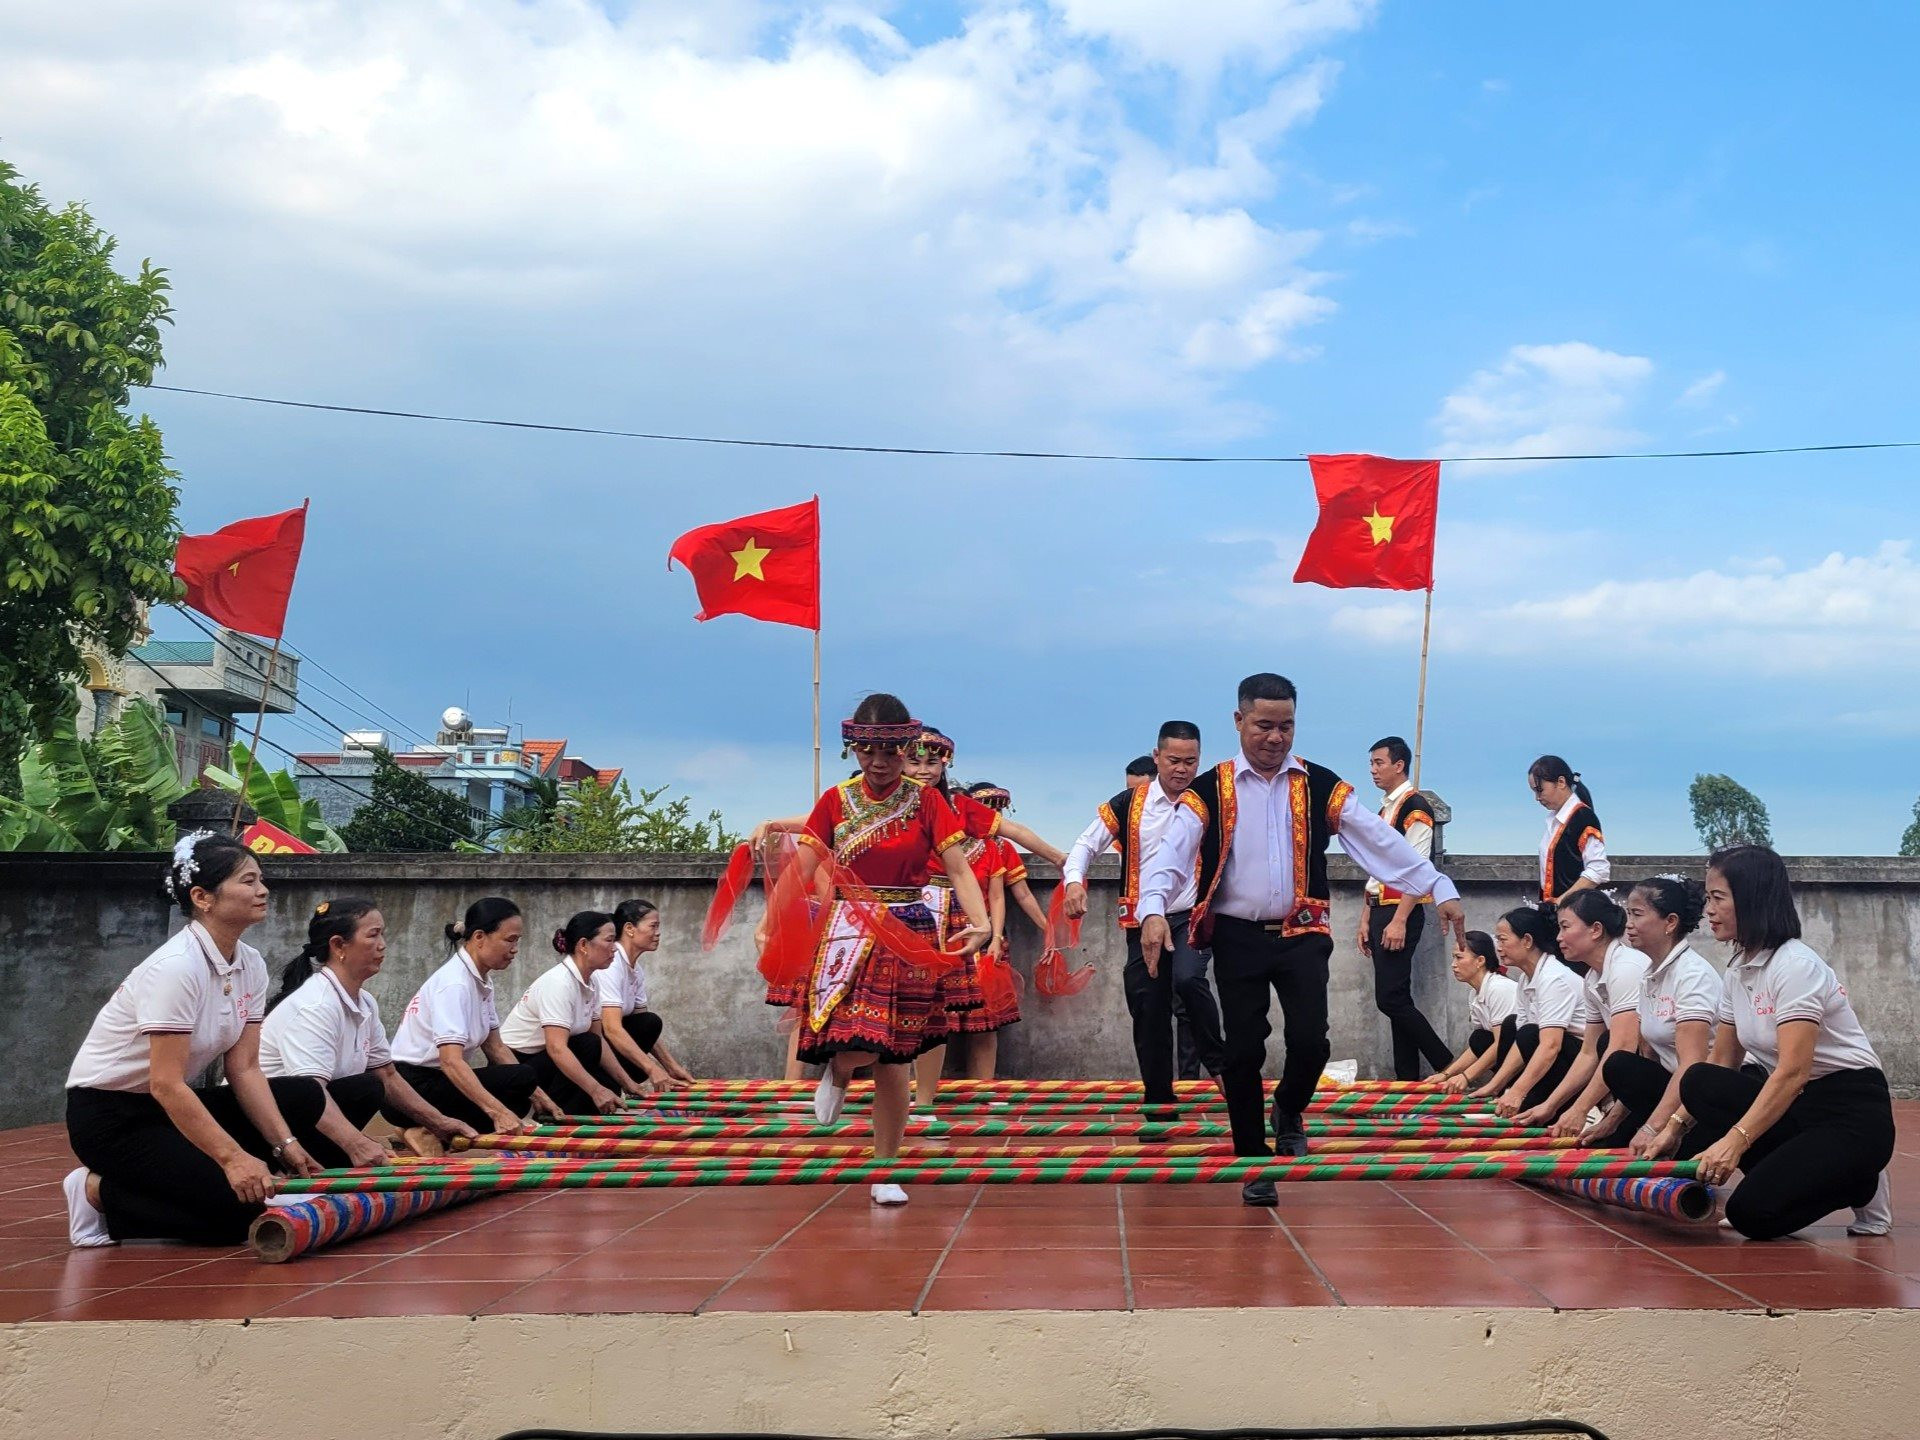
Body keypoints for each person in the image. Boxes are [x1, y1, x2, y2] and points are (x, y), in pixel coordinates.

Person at [1136, 674, 1467, 1205]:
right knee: (1242, 1051)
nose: (1275, 738)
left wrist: (1436, 883)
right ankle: (1252, 1158)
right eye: (1264, 725)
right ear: (1239, 721)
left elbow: (1378, 841)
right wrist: (1152, 908)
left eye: (1286, 726)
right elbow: (1171, 855)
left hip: (1304, 933)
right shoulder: (1209, 789)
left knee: (1312, 1043)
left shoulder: (1318, 784)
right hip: (1237, 936)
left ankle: (1288, 1108)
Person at [750, 693, 992, 1205]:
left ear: (905, 747)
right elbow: (805, 867)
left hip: (908, 930)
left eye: (890, 753)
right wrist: (772, 922)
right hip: (849, 930)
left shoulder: (927, 802)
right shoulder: (836, 801)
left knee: (895, 1057)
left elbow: (957, 867)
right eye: (868, 752)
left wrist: (982, 921)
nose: (880, 763)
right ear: (853, 749)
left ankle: (885, 1168)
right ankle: (838, 1068)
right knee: (860, 1042)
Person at [63, 832, 326, 1247]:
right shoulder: (175, 968)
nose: (263, 890)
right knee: (236, 1215)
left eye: (261, 879)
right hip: (112, 1118)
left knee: (304, 1096)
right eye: (248, 881)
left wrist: (285, 1146)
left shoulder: (250, 964)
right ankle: (97, 1192)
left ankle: (203, 1181)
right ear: (203, 898)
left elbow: (244, 1068)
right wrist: (233, 1158)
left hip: (170, 1108)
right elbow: (165, 1083)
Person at [1653, 846, 1895, 1240]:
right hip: (1796, 1108)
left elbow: (1794, 1071)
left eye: (1718, 898)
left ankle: (1860, 1180)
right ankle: (1803, 1169)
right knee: (1700, 1080)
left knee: (1751, 1214)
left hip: (1849, 1111)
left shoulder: (1795, 966)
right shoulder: (1738, 971)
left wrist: (1733, 1142)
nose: (1708, 911)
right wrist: (1673, 1128)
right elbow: (1723, 1061)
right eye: (1707, 899)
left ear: (1751, 899)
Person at [1062, 720, 1227, 1117]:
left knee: (1189, 980)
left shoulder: (1209, 802)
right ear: (1157, 758)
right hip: (1141, 921)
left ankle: (1220, 1065)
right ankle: (1159, 1101)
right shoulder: (1129, 804)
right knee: (1147, 1005)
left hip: (1191, 915)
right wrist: (1073, 882)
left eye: (1191, 761)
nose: (1182, 769)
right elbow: (1086, 844)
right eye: (1173, 760)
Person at [260, 898, 478, 1165]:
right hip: (268, 1126)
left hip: (303, 1112)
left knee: (368, 1086)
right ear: (339, 945)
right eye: (373, 935)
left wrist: (439, 1122)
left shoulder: (364, 1002)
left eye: (382, 934)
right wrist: (358, 1143)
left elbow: (387, 1075)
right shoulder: (314, 1007)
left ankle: (332, 1157)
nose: (383, 944)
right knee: (361, 1087)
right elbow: (311, 1094)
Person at [387, 897, 554, 1136]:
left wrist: (539, 1095)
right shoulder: (455, 984)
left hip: (434, 1080)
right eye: (509, 940)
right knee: (519, 1081)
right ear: (479, 938)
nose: (515, 949)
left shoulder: (481, 980)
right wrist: (497, 1112)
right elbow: (450, 1061)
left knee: (522, 1087)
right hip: (411, 1087)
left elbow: (495, 1046)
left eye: (517, 940)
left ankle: (428, 1132)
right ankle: (426, 1129)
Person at [1593, 876, 1722, 1160]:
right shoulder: (1649, 975)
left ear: (1670, 922)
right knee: (1621, 1065)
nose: (1628, 924)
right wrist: (1614, 1121)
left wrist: (1654, 1128)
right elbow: (1650, 1057)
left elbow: (1692, 1065)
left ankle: (1688, 1134)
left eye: (1637, 914)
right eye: (1628, 914)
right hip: (1676, 1086)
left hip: (1707, 1094)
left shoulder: (1692, 975)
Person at [1518, 891, 1652, 1138]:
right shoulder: (1592, 977)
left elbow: (1623, 1046)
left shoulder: (1626, 968)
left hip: (1670, 1079)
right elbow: (1588, 1052)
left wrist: (1580, 1109)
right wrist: (1551, 1106)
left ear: (1596, 930)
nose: (1558, 937)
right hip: (1637, 1074)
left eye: (1565, 927)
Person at [1358, 735, 1453, 1080]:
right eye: (1371, 763)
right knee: (1397, 999)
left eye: (1379, 763)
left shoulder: (1416, 808)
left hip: (1401, 910)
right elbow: (1375, 870)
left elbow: (1418, 868)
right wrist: (1366, 915)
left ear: (1399, 765)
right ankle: (1407, 1081)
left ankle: (1450, 1066)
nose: (1373, 770)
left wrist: (1399, 920)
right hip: (1381, 908)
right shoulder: (1387, 809)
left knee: (1391, 999)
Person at [501, 910, 640, 1115]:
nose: (615, 949)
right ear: (583, 945)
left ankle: (573, 1115)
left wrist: (627, 1083)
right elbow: (557, 1048)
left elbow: (598, 1037)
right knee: (587, 1048)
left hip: (547, 1061)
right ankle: (554, 1117)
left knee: (608, 1082)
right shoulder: (559, 982)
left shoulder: (591, 981)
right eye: (609, 940)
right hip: (518, 1068)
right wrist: (595, 1090)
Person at [1472, 906, 1583, 1117]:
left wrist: (1518, 1092)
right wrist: (1497, 1085)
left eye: (1503, 939)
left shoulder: (1554, 978)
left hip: (1581, 1064)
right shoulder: (1526, 979)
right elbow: (1519, 1042)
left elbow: (1550, 1045)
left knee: (1530, 1034)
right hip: (1559, 1057)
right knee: (1513, 1026)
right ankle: (1529, 1097)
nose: (1499, 947)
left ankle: (1571, 1106)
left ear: (1527, 941)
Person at [597, 899, 694, 1094]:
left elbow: (644, 1027)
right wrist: (652, 1069)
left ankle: (616, 1086)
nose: (658, 933)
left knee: (649, 1022)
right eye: (653, 926)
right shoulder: (612, 965)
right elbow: (612, 1029)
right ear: (630, 929)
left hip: (605, 1044)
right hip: (590, 1046)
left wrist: (671, 1067)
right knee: (648, 1022)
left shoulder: (636, 970)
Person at [1432, 931, 1518, 1095]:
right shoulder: (1475, 994)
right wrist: (1446, 1074)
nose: (1453, 964)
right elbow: (1481, 1045)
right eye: (1453, 957)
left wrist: (1466, 1077)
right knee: (1480, 1038)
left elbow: (1502, 1043)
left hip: (1529, 1055)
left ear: (1480, 961)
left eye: (1459, 957)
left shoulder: (1499, 988)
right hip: (1512, 1054)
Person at [1530, 755, 1607, 903]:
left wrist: (1561, 902)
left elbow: (1598, 869)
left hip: (1574, 912)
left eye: (1540, 790)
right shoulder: (1554, 819)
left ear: (1561, 782)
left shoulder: (1583, 817)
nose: (1537, 797)